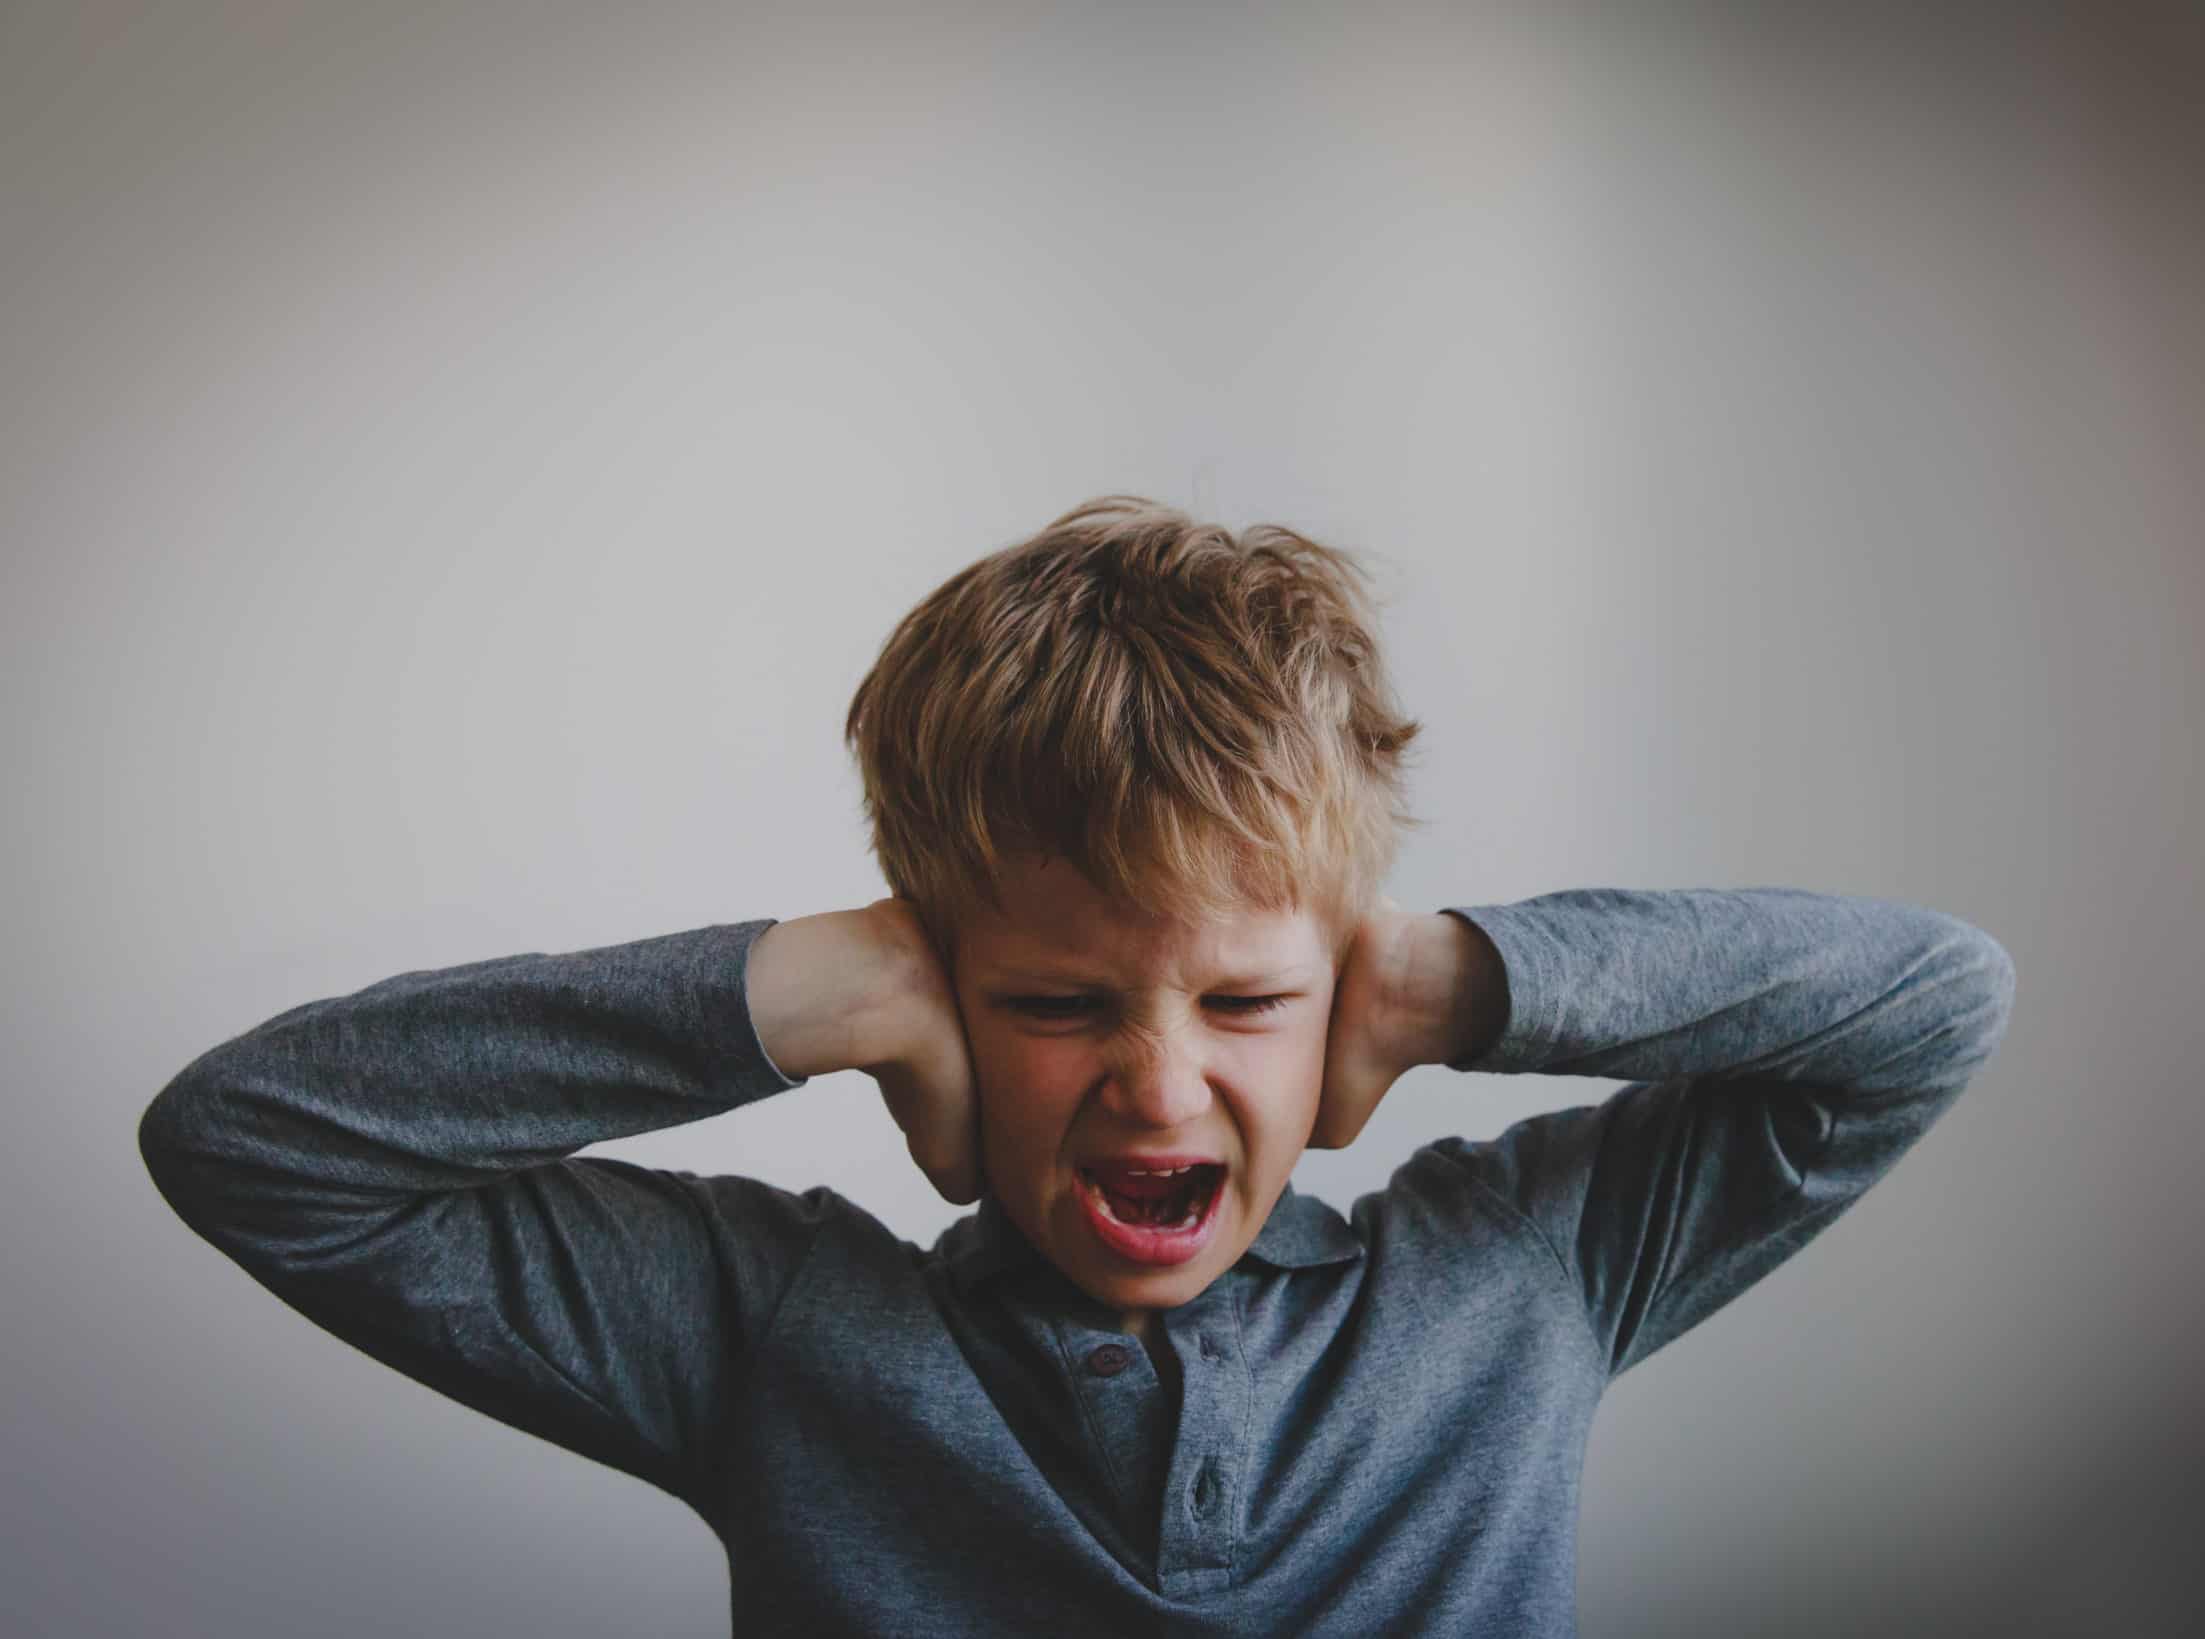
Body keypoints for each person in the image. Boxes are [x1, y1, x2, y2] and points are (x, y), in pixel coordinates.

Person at [138, 495, 2016, 1636]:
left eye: (1247, 1005)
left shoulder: (1514, 1287)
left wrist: (1456, 982)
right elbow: (255, 1142)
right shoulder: (773, 1341)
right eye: (1053, 1006)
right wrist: (800, 988)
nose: (1156, 1086)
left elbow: (1929, 1004)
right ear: (942, 1003)